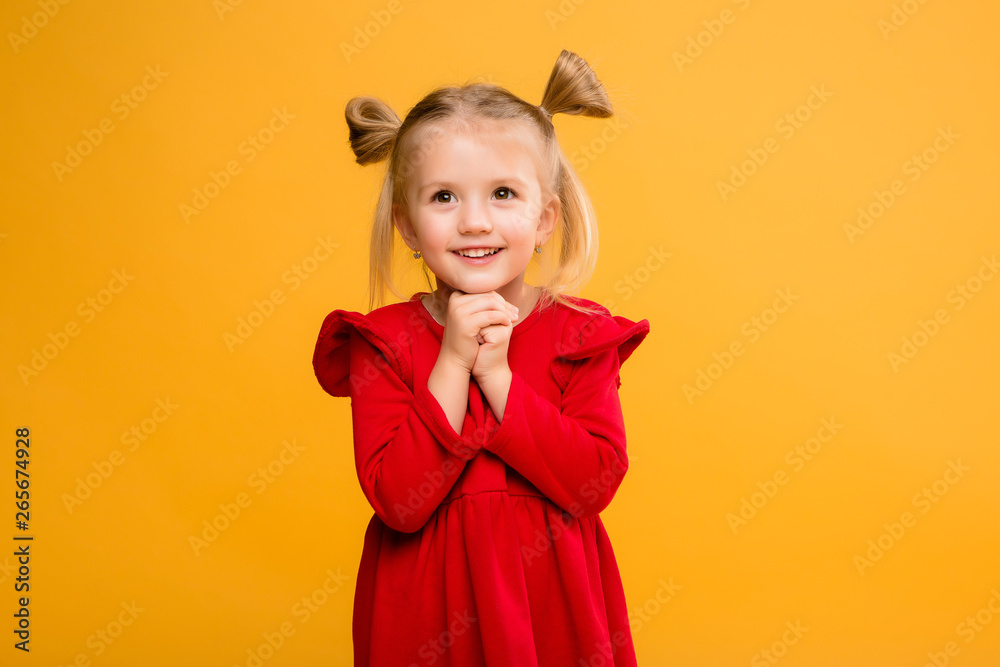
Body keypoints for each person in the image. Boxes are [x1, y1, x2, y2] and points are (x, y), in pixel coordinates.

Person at [312, 49, 650, 666]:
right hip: (427, 618)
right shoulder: (383, 343)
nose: (473, 222)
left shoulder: (582, 336)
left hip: (553, 609)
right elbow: (399, 500)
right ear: (407, 227)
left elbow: (591, 483)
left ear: (545, 217)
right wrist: (452, 361)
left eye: (502, 193)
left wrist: (497, 377)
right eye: (443, 197)